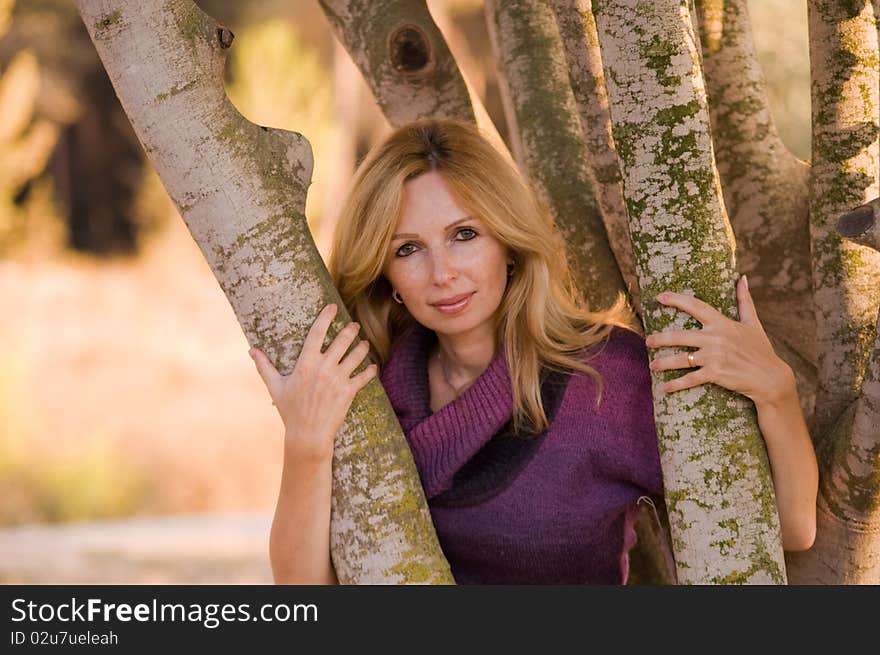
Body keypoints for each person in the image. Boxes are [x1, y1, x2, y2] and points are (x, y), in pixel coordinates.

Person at [249, 119, 818, 585]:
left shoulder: (604, 380)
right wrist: (306, 442)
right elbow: (302, 592)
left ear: (509, 242)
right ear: (386, 273)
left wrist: (776, 390)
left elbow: (790, 528)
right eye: (409, 248)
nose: (443, 274)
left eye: (464, 234)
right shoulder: (361, 389)